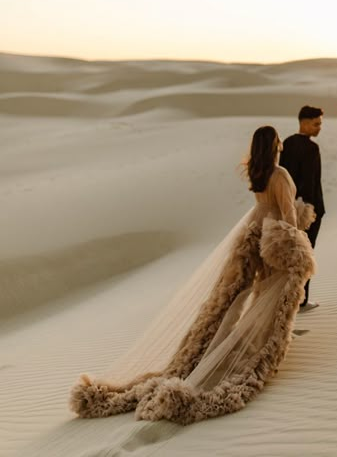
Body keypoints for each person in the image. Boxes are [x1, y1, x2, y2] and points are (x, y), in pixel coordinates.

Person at [70, 126, 316, 425]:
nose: (281, 143)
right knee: (270, 292)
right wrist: (295, 239)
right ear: (275, 144)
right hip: (273, 237)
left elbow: (263, 204)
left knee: (235, 294)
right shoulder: (281, 175)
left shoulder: (258, 171)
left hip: (252, 230)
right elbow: (288, 215)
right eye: (278, 139)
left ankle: (216, 347)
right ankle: (254, 345)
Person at [279, 106, 325, 312]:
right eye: (316, 123)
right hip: (309, 211)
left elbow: (285, 180)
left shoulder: (287, 144)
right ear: (304, 122)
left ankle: (290, 299)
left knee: (292, 256)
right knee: (305, 256)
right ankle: (301, 301)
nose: (319, 128)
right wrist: (311, 210)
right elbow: (310, 184)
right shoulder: (311, 149)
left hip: (289, 209)